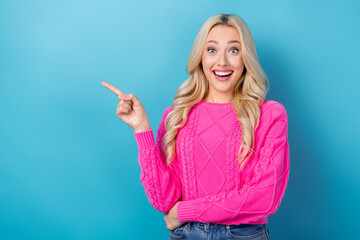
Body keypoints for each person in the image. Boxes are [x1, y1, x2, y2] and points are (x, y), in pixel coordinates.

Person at [102, 13, 289, 240]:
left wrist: (184, 211)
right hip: (186, 235)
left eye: (233, 50)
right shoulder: (176, 115)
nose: (222, 61)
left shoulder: (269, 114)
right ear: (200, 57)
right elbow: (163, 200)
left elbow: (265, 197)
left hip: (242, 235)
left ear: (245, 58)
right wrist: (142, 129)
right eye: (212, 50)